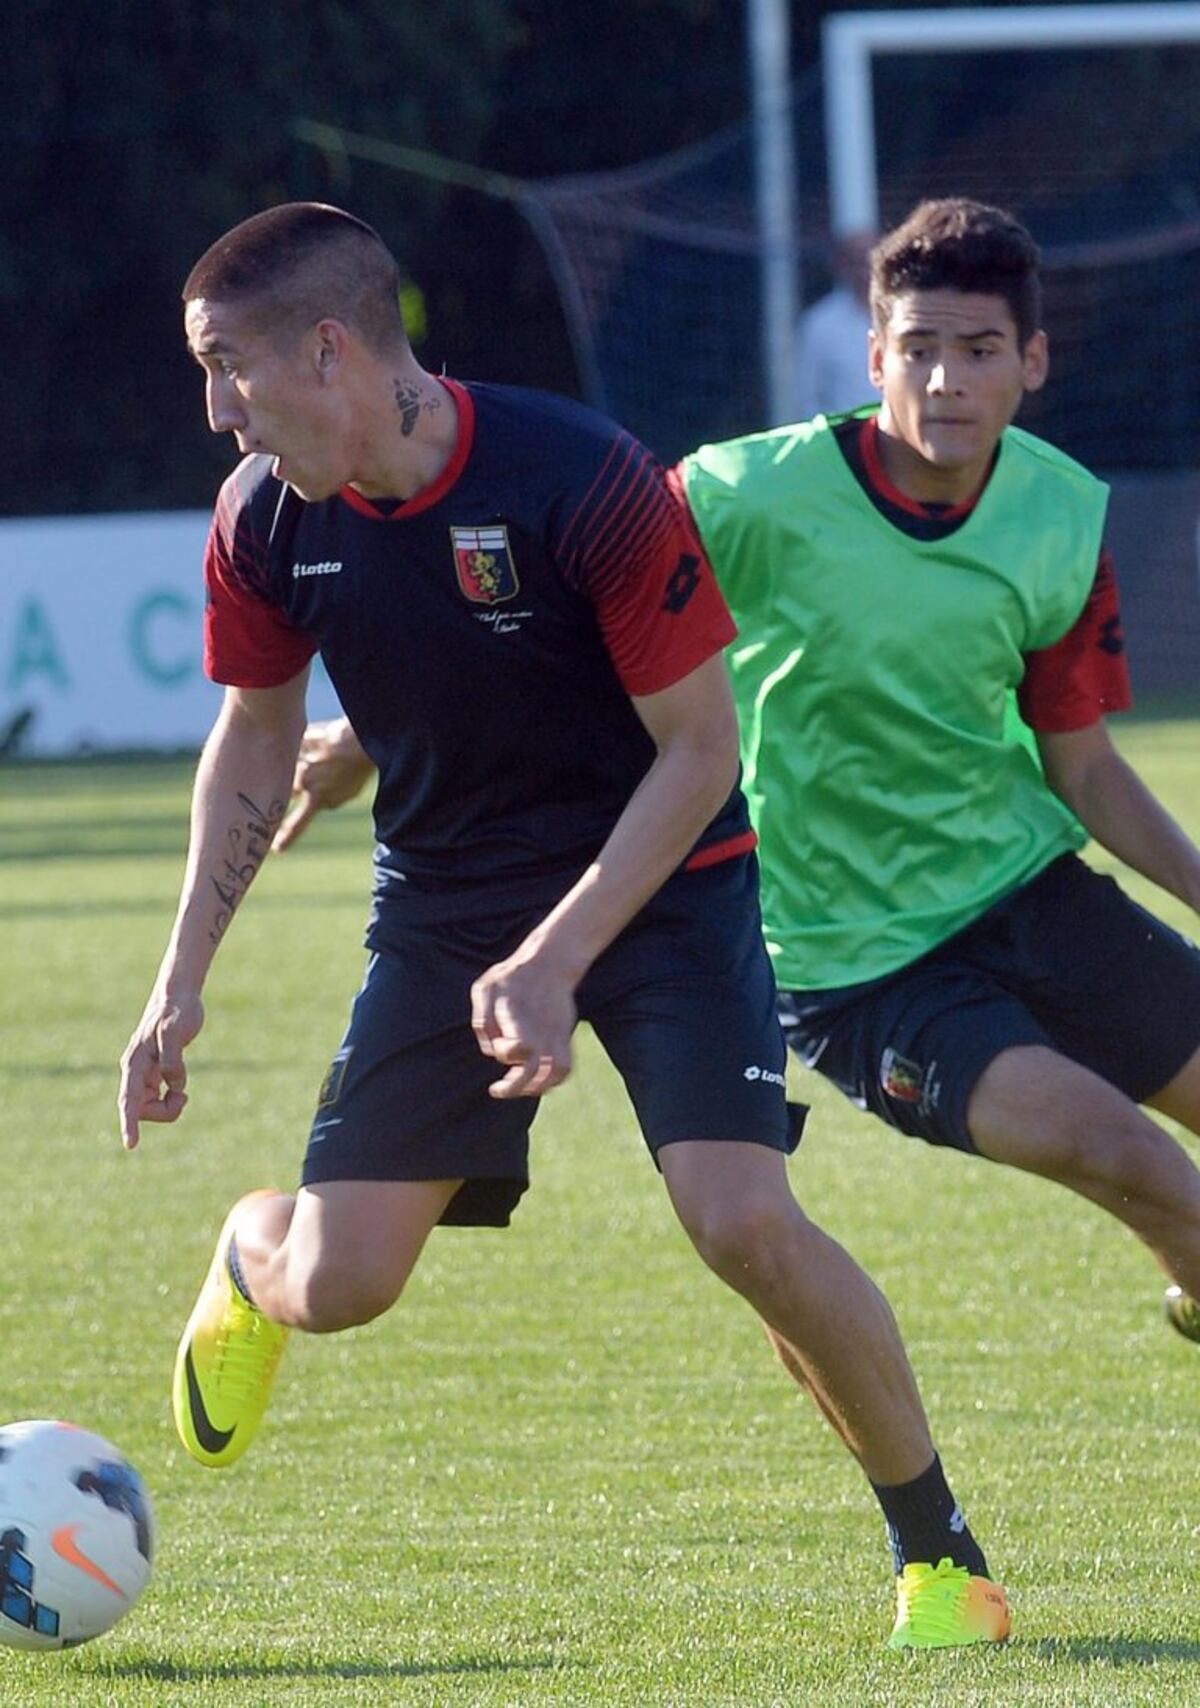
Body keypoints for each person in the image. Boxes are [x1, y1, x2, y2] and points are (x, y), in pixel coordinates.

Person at [116, 202, 1010, 1652]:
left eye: (229, 369)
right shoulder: (262, 520)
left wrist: (558, 956)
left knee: (742, 1220)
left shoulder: (583, 477)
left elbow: (700, 750)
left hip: (666, 879)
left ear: (331, 349)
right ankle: (250, 1249)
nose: (220, 413)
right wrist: (179, 983)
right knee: (337, 1286)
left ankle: (940, 1559)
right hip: (448, 902)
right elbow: (255, 739)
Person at [683, 197, 1200, 1355]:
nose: (945, 380)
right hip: (860, 964)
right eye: (917, 349)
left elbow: (1083, 766)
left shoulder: (1060, 515)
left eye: (978, 350)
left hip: (1030, 892)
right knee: (1134, 1156)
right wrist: (375, 727)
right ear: (875, 357)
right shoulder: (749, 494)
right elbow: (581, 582)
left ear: (1032, 361)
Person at [788, 230, 875, 422]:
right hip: (847, 434)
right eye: (857, 261)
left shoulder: (906, 316)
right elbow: (807, 394)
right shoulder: (820, 324)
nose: (865, 269)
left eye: (871, 260)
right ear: (843, 265)